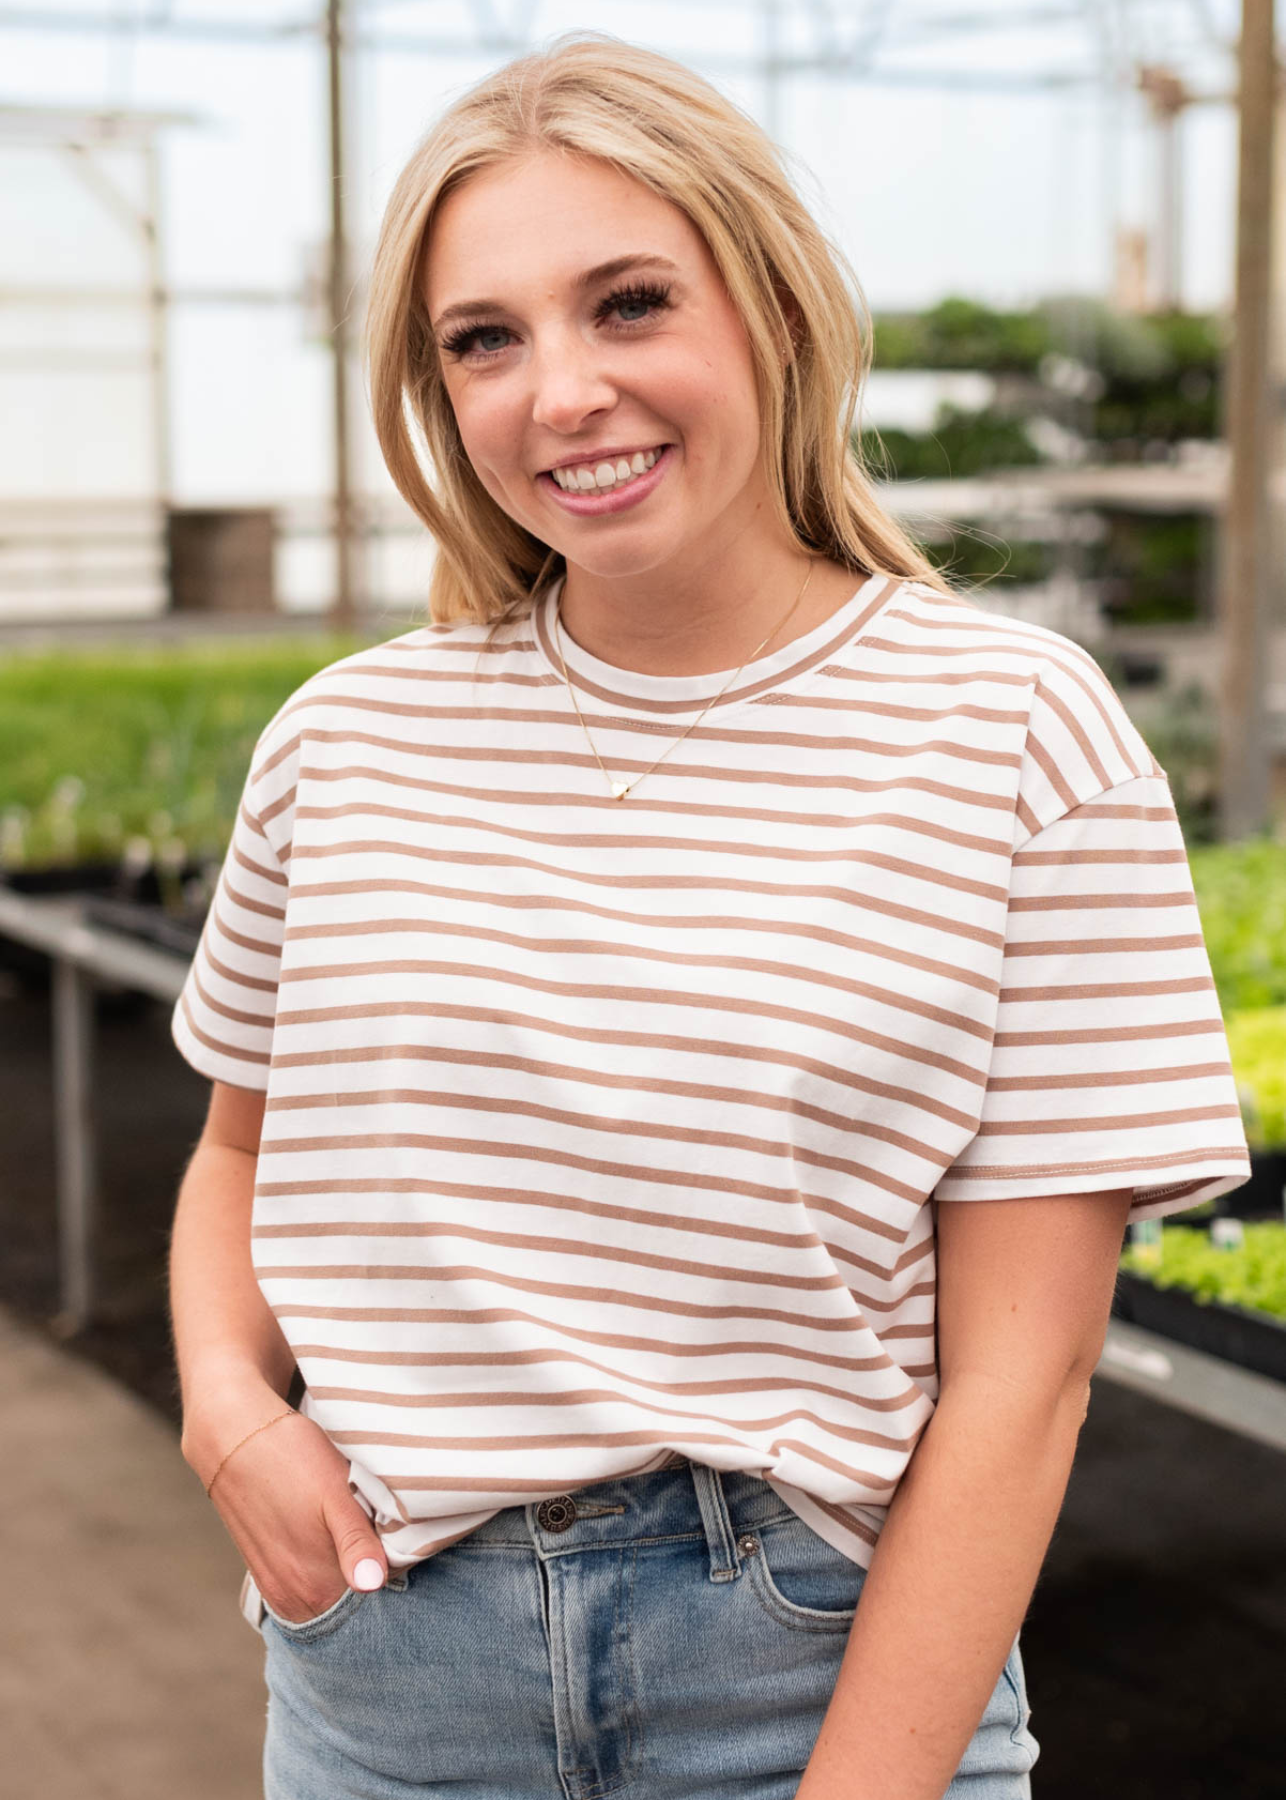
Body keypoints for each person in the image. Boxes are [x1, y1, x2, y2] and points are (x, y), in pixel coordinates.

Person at [168, 31, 1251, 1800]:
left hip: (813, 1669)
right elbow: (236, 1151)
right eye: (484, 339)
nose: (561, 392)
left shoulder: (1013, 736)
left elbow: (1024, 1374)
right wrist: (227, 1405)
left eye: (629, 303)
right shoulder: (346, 743)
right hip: (387, 1680)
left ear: (771, 307)